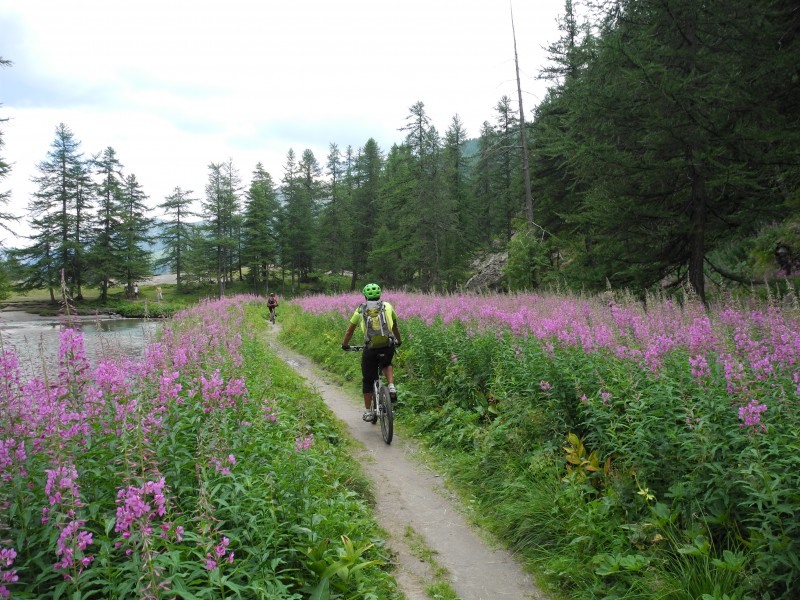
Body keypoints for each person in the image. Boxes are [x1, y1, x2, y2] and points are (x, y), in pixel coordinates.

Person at [341, 283, 402, 422]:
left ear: (365, 296)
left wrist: (345, 345)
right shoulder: (388, 306)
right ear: (380, 295)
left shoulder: (360, 309)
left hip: (370, 348)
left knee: (368, 380)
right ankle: (391, 386)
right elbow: (395, 327)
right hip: (387, 345)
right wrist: (399, 341)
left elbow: (349, 331)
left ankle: (368, 411)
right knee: (387, 363)